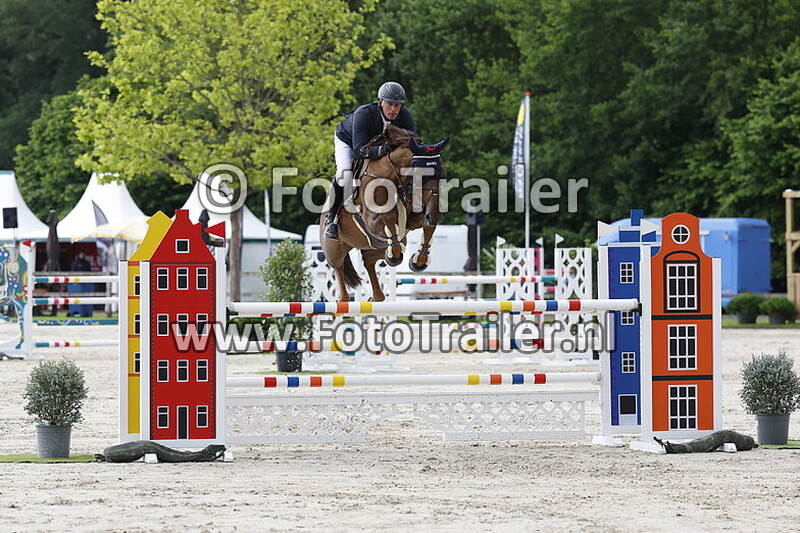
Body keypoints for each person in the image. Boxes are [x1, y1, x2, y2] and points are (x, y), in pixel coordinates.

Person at [324, 81, 416, 240]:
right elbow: (359, 151)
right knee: (344, 172)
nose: (393, 109)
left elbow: (412, 146)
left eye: (397, 105)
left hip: (378, 146)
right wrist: (382, 150)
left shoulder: (405, 116)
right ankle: (331, 219)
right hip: (349, 142)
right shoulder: (364, 114)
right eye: (389, 104)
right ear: (381, 102)